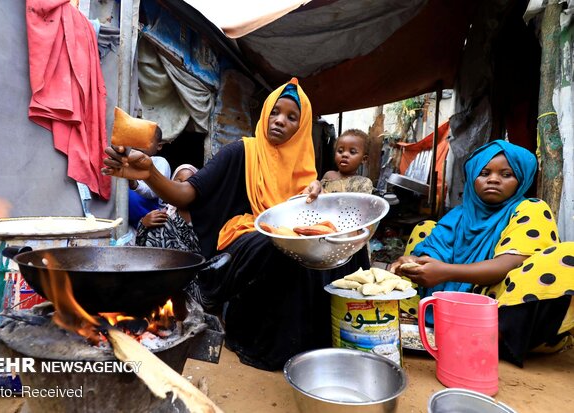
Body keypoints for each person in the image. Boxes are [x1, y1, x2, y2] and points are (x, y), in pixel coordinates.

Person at [102, 78, 369, 370]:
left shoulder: (304, 167)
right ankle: (266, 347)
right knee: (276, 245)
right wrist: (150, 172)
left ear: (302, 127)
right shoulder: (241, 152)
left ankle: (335, 341)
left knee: (345, 245)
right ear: (265, 113)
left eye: (292, 117)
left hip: (289, 232)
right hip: (243, 236)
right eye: (275, 112)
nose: (280, 121)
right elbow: (186, 194)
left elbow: (306, 217)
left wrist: (315, 192)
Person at [390, 140, 574, 365]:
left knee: (567, 254)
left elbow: (508, 265)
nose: (494, 179)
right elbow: (433, 256)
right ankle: (429, 316)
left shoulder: (531, 209)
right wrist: (411, 263)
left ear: (522, 180)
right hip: (446, 302)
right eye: (484, 173)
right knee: (425, 229)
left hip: (497, 306)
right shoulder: (459, 216)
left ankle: (495, 339)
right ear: (472, 177)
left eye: (507, 175)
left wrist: (447, 272)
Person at [136, 164, 201, 254]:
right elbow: (139, 247)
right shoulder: (165, 214)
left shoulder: (203, 213)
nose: (181, 187)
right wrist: (144, 224)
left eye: (187, 183)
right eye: (178, 181)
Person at [321, 128, 373, 194]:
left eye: (352, 152)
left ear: (364, 159)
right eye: (340, 151)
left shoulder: (363, 183)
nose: (344, 154)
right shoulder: (328, 176)